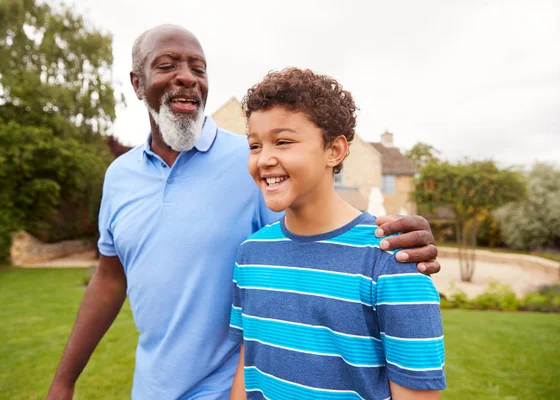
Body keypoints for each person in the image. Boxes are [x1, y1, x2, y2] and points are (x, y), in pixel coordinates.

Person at [47, 25, 442, 400]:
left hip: (222, 387)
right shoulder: (119, 176)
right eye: (167, 66)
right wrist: (64, 381)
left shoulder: (250, 162)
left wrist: (387, 237)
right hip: (152, 386)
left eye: (198, 69)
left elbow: (314, 228)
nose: (186, 77)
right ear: (137, 83)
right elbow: (109, 278)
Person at [228, 68, 446, 400]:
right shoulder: (250, 254)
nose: (264, 159)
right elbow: (248, 363)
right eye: (255, 146)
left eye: (283, 141)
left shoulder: (393, 261)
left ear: (335, 150)